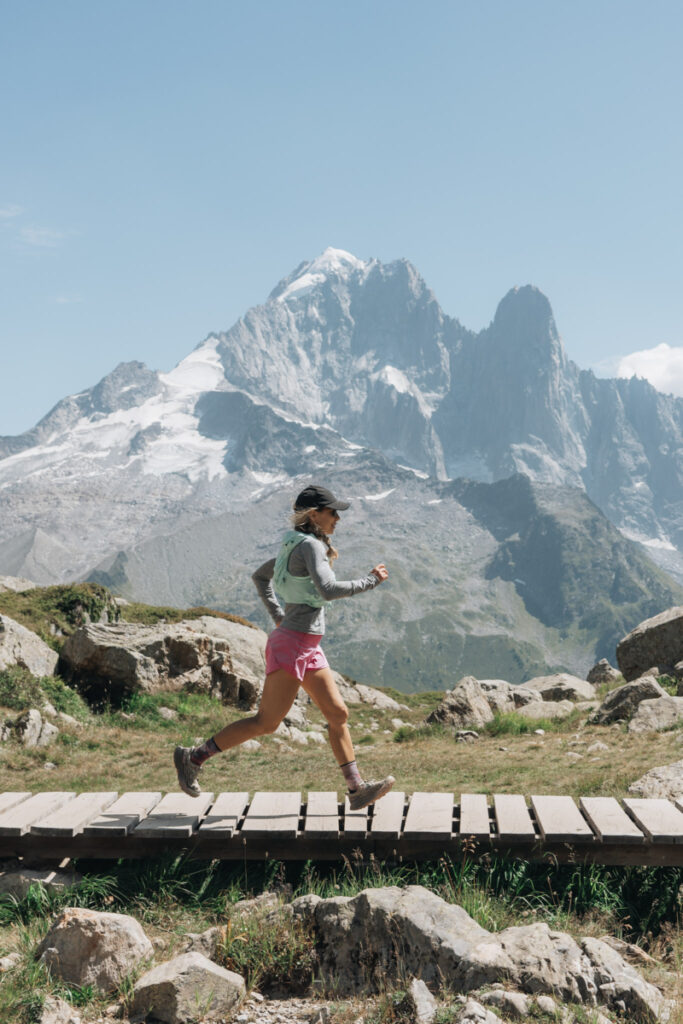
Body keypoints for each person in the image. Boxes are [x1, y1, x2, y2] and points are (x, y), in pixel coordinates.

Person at [174, 483, 395, 810]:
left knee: (338, 713)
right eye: (332, 512)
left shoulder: (293, 544)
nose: (337, 518)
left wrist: (278, 615)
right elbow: (327, 589)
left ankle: (356, 789)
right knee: (266, 722)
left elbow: (260, 577)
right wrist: (370, 580)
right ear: (314, 514)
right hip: (292, 646)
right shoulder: (311, 547)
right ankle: (193, 758)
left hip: (305, 645)